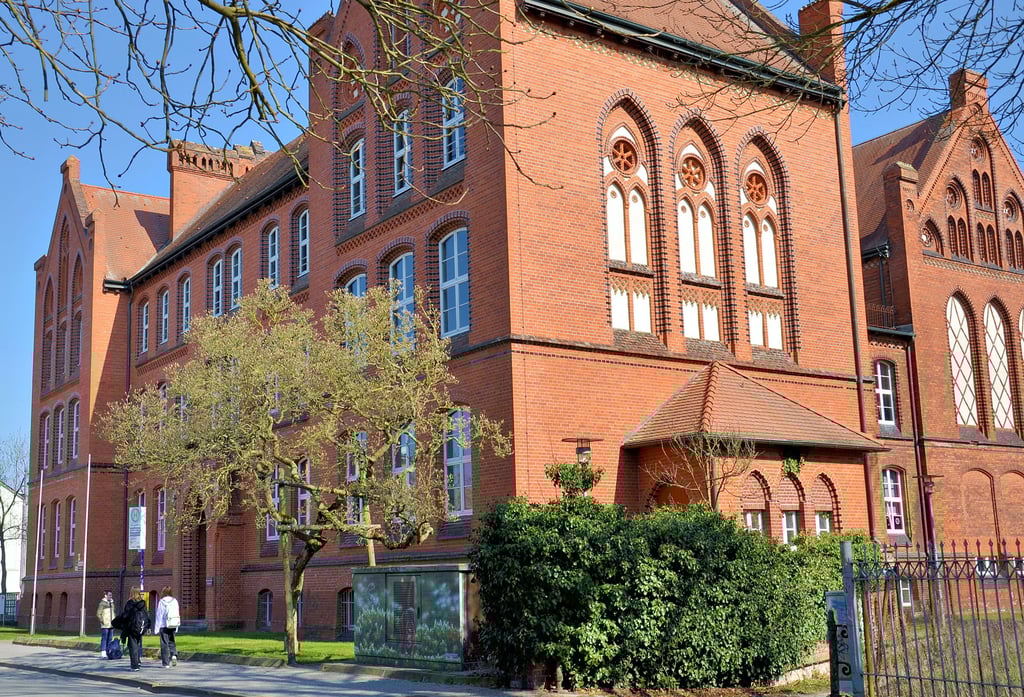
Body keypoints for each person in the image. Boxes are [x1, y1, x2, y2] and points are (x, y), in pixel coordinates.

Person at [119, 586, 150, 671]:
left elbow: (125, 616)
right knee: (138, 644)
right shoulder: (143, 603)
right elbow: (146, 615)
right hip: (140, 627)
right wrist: (147, 626)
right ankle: (138, 660)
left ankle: (135, 665)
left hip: (131, 627)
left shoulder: (129, 603)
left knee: (132, 646)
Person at [152, 586, 180, 668]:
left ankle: (166, 663)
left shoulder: (162, 602)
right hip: (173, 624)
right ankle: (174, 654)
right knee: (172, 641)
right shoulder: (175, 601)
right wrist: (177, 626)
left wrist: (156, 628)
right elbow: (177, 613)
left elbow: (159, 615)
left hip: (164, 625)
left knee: (164, 644)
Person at [96, 590, 115, 658]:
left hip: (111, 624)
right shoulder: (102, 603)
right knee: (104, 638)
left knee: (110, 638)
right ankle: (103, 652)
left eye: (111, 595)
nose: (111, 596)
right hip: (105, 624)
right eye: (109, 595)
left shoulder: (112, 603)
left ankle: (108, 651)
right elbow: (98, 614)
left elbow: (113, 612)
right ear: (105, 595)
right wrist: (102, 621)